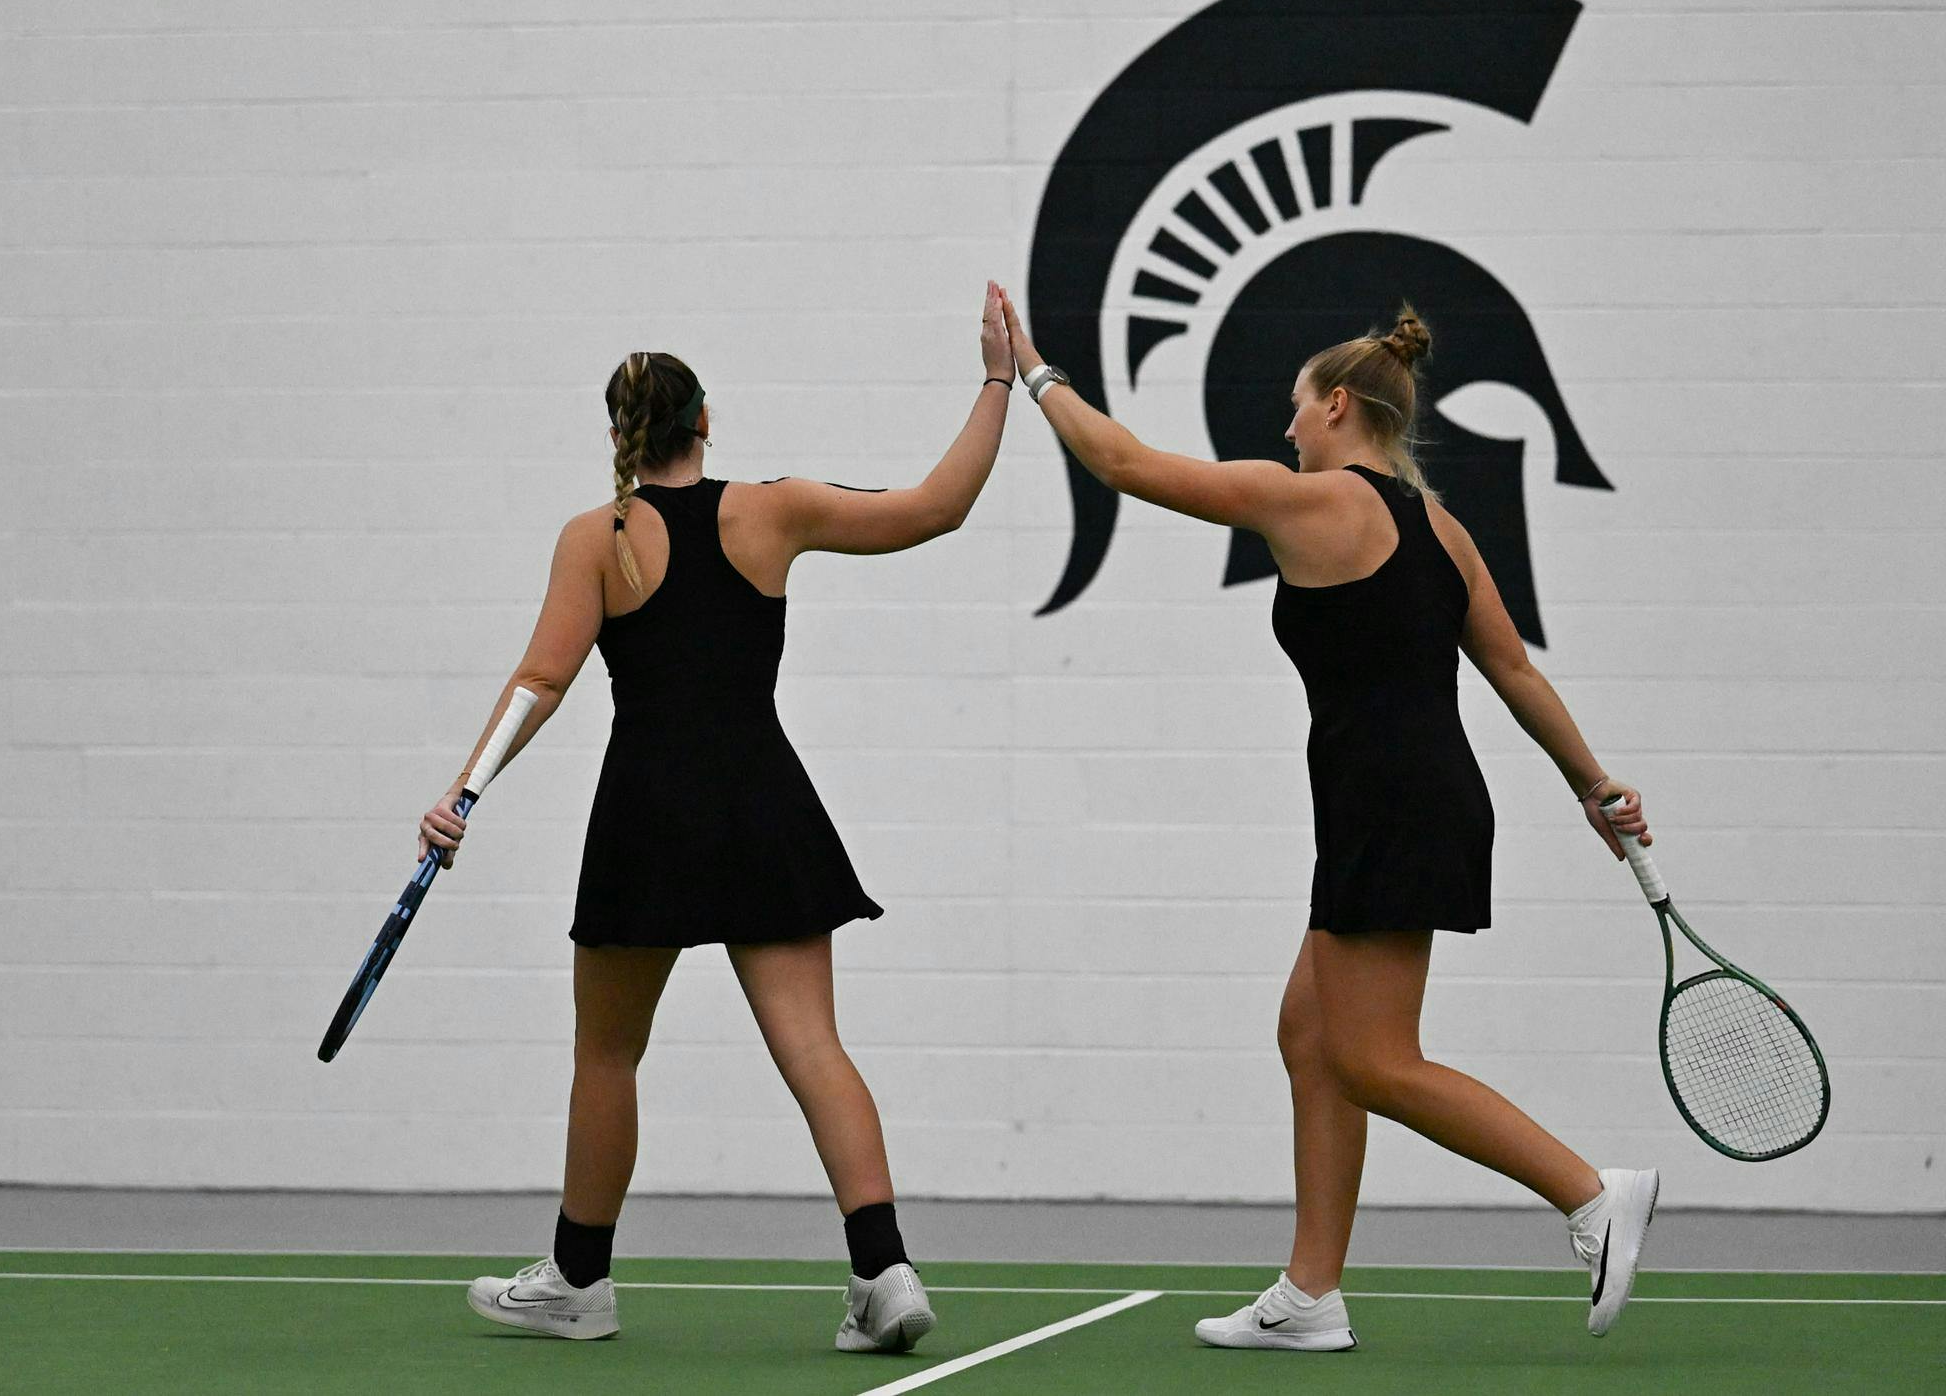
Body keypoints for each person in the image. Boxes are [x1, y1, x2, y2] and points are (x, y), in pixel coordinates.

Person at [997, 288, 1659, 1349]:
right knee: (1311, 1037)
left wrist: (1030, 370)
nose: (1284, 426)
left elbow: (1118, 463)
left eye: (1294, 408)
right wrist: (1592, 783)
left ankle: (1587, 1194)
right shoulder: (1437, 526)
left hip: (1390, 803)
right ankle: (1309, 1296)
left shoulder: (1309, 501)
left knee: (1372, 1059)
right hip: (1403, 798)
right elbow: (1511, 668)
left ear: (1339, 406)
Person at [433, 282, 1017, 1348]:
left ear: (618, 434)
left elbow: (540, 680)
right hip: (762, 805)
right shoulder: (772, 507)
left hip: (646, 819)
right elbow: (937, 507)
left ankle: (577, 1279)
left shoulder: (595, 537)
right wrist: (994, 379)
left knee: (606, 1056)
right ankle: (883, 1271)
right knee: (814, 1047)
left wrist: (463, 790)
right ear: (707, 421)